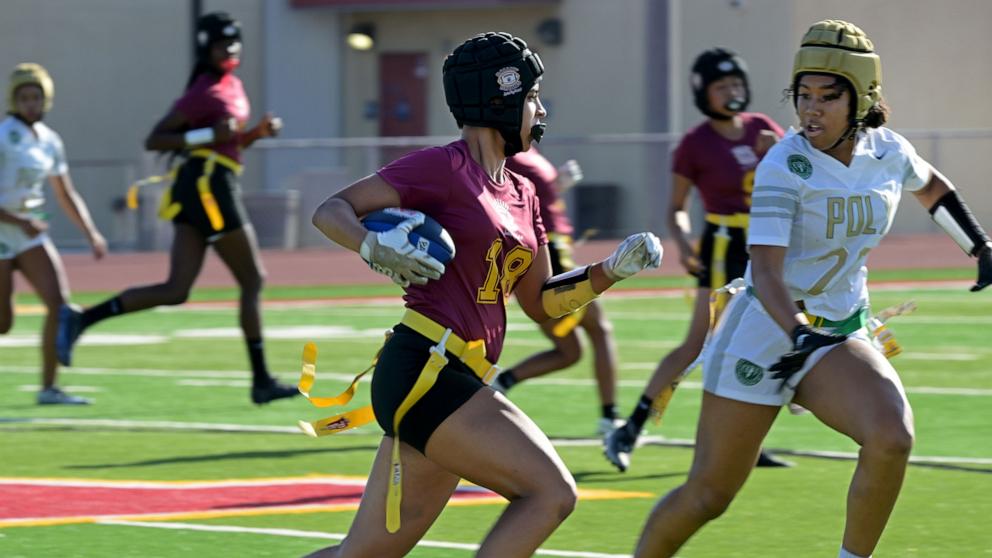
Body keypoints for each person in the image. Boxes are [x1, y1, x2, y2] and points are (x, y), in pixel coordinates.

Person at [630, 20, 992, 558]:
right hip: (766, 330)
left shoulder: (887, 151)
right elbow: (767, 269)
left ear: (863, 98)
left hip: (837, 333)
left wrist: (980, 246)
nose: (810, 110)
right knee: (709, 495)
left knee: (892, 438)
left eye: (828, 96)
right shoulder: (784, 162)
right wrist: (799, 334)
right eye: (803, 96)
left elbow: (933, 187)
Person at [304, 32, 661, 557]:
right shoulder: (441, 168)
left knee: (363, 555)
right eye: (533, 96)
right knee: (550, 492)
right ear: (503, 98)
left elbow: (541, 302)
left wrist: (609, 271)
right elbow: (331, 209)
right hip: (427, 366)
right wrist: (371, 245)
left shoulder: (524, 191)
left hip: (456, 373)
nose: (540, 109)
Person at [55, 12, 297, 405]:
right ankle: (261, 381)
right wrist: (208, 134)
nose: (230, 50)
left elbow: (228, 142)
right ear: (207, 48)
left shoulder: (230, 85)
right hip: (208, 186)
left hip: (207, 182)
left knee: (176, 289)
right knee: (252, 279)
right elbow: (155, 140)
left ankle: (81, 318)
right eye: (221, 44)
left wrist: (255, 134)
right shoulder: (203, 91)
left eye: (234, 43)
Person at [604, 48, 789, 471]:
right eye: (722, 87)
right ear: (703, 93)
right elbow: (676, 205)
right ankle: (631, 427)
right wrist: (684, 244)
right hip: (723, 242)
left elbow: (800, 173)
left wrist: (779, 149)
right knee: (698, 343)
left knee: (768, 339)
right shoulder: (696, 144)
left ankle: (745, 440)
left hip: (766, 240)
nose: (732, 92)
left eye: (736, 84)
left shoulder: (763, 128)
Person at [493, 147, 624, 435]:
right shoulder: (505, 154)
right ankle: (609, 418)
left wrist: (554, 186)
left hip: (556, 247)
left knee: (572, 351)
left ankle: (500, 383)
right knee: (595, 332)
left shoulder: (527, 148)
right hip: (547, 251)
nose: (539, 111)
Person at [0, 63, 107, 405]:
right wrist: (18, 221)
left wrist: (91, 232)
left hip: (30, 233)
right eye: (24, 97)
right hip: (3, 231)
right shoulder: (3, 136)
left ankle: (49, 388)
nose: (31, 103)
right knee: (2, 324)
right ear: (13, 100)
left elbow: (65, 192)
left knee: (59, 305)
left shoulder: (49, 141)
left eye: (36, 97)